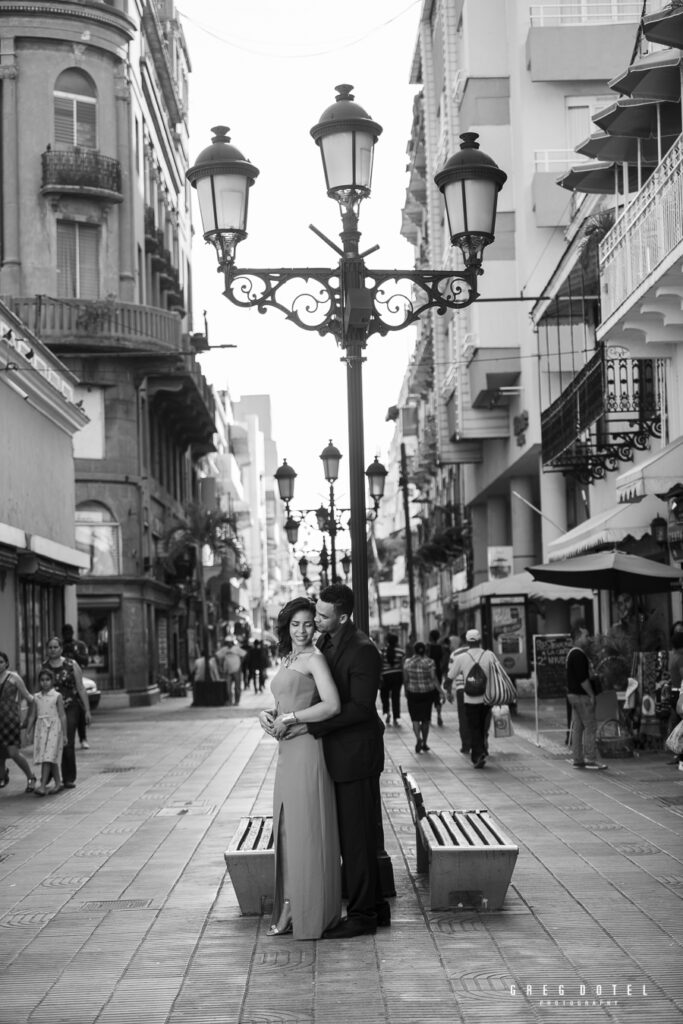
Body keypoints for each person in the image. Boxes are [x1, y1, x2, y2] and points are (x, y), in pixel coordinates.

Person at [266, 583, 390, 939]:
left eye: (320, 616)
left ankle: (365, 913)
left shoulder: (362, 649)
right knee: (345, 835)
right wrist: (286, 715)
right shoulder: (325, 644)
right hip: (329, 750)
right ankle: (372, 906)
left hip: (355, 753)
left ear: (343, 617)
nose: (314, 622)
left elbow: (360, 707)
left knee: (358, 837)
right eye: (308, 617)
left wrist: (302, 723)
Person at [259, 598, 342, 940]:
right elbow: (284, 701)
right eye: (295, 624)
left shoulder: (315, 659)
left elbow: (332, 705)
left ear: (316, 626)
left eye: (308, 624)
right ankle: (292, 902)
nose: (302, 630)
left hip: (307, 750)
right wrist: (266, 714)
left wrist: (291, 717)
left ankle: (305, 908)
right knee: (288, 829)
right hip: (287, 752)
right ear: (286, 626)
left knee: (305, 831)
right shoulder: (289, 658)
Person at [446, 628, 501, 769]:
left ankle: (477, 755)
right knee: (483, 725)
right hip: (487, 698)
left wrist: (448, 691)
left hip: (469, 698)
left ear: (467, 642)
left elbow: (450, 677)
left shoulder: (461, 657)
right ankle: (482, 749)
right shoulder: (489, 655)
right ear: (479, 641)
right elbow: (498, 675)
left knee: (474, 726)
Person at [42, 635, 91, 789]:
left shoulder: (71, 664)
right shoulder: (44, 666)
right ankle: (50, 774)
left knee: (67, 740)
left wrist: (87, 710)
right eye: (50, 647)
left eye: (55, 647)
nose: (52, 650)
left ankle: (68, 777)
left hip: (70, 707)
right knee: (51, 742)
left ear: (61, 648)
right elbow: (40, 690)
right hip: (51, 709)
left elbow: (81, 688)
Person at [565, 621, 607, 771]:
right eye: (586, 635)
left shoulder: (572, 653)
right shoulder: (578, 654)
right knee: (590, 726)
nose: (589, 639)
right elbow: (583, 679)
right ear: (577, 637)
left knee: (578, 727)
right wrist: (591, 694)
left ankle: (578, 758)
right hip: (581, 696)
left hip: (572, 695)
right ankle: (590, 758)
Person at [26, 668, 67, 795]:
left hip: (54, 729)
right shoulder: (36, 697)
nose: (45, 683)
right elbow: (32, 715)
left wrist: (65, 734)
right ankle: (59, 782)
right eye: (42, 680)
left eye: (47, 680)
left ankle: (43, 786)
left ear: (52, 681)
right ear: (39, 682)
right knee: (49, 757)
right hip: (41, 729)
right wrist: (28, 730)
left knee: (47, 757)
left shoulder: (57, 696)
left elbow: (62, 715)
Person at [0, 651, 36, 793]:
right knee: (0, 753)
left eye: (1, 662)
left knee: (13, 752)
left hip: (10, 721)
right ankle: (2, 777)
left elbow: (30, 698)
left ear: (6, 663)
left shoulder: (13, 677)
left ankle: (31, 777)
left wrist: (28, 719)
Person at [403, 641, 447, 753]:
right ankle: (425, 743)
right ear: (425, 651)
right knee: (426, 719)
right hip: (427, 694)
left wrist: (406, 691)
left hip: (413, 693)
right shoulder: (430, 662)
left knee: (415, 719)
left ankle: (418, 738)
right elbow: (433, 678)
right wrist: (441, 691)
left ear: (414, 650)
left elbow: (406, 679)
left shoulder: (408, 662)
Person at [61, 624, 90, 749]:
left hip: (76, 681)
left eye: (69, 632)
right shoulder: (60, 646)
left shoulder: (79, 645)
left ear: (73, 632)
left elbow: (85, 661)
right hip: (62, 683)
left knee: (80, 711)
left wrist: (75, 653)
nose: (67, 634)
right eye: (65, 632)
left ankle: (83, 738)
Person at [666, 623, 683, 771]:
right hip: (680, 694)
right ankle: (680, 755)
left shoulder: (673, 657)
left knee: (677, 724)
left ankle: (677, 754)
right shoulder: (681, 658)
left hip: (674, 692)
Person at [379, 633, 404, 726]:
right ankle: (395, 718)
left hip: (385, 676)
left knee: (384, 695)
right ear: (397, 641)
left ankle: (387, 712)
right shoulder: (401, 651)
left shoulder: (382, 651)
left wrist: (380, 675)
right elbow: (402, 666)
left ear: (387, 641)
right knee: (395, 697)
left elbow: (380, 664)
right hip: (397, 676)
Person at [427, 629, 448, 727]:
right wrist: (442, 671)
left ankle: (429, 717)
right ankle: (439, 714)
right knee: (437, 693)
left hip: (428, 672)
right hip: (438, 672)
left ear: (430, 637)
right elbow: (444, 661)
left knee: (429, 694)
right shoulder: (441, 648)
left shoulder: (428, 647)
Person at [216, 637, 245, 705]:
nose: (228, 644)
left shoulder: (236, 649)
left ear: (232, 642)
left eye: (229, 642)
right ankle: (230, 701)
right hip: (227, 671)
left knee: (237, 687)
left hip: (236, 670)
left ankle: (237, 701)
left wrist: (240, 663)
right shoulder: (224, 650)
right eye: (227, 642)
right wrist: (220, 666)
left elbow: (244, 655)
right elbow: (217, 656)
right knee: (228, 687)